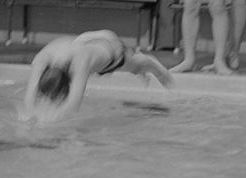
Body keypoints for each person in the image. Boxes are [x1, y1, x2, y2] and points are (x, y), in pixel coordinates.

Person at [22, 30, 174, 121]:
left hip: (110, 46)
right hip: (83, 39)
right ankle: (140, 63)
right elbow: (29, 99)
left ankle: (149, 62)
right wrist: (30, 117)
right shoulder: (41, 59)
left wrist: (46, 121)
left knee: (134, 66)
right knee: (126, 66)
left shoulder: (80, 62)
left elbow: (73, 106)